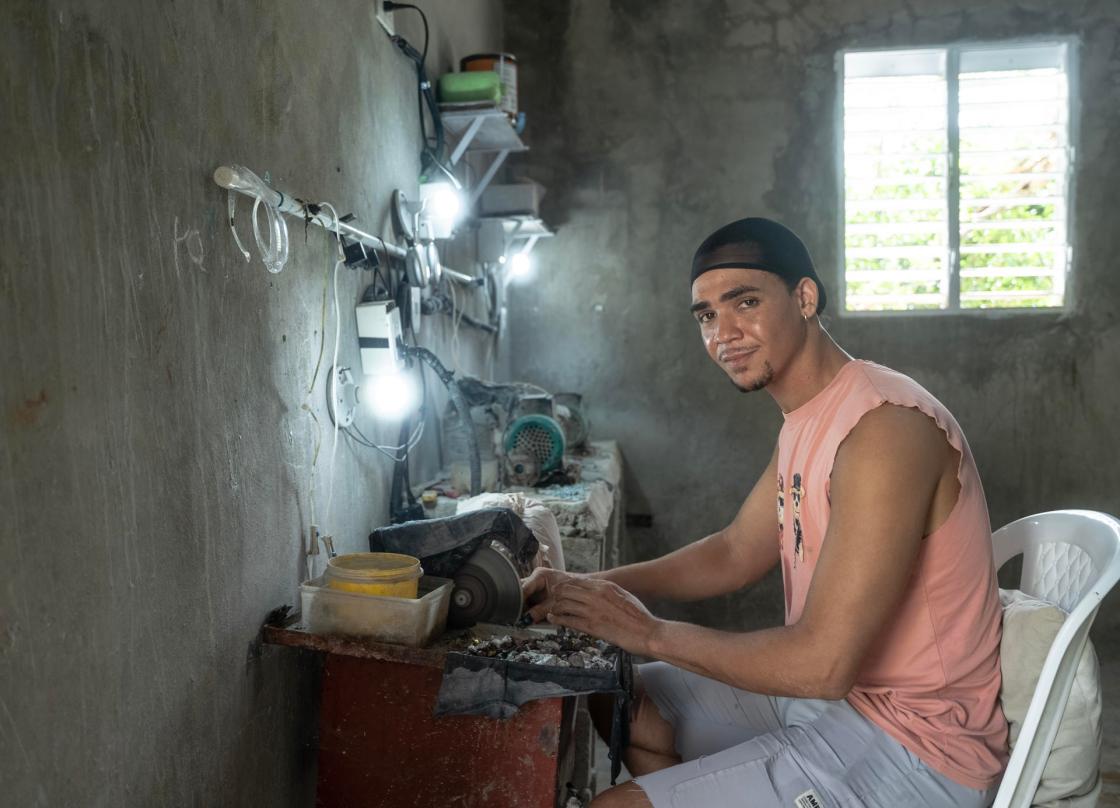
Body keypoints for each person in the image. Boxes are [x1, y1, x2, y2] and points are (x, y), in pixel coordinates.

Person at [522, 218, 1008, 808]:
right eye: (706, 315)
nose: (723, 333)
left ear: (804, 298)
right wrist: (583, 589)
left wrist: (647, 631)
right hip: (842, 701)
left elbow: (823, 663)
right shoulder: (809, 418)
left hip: (919, 748)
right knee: (625, 697)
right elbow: (733, 551)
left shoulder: (884, 430)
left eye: (744, 302)